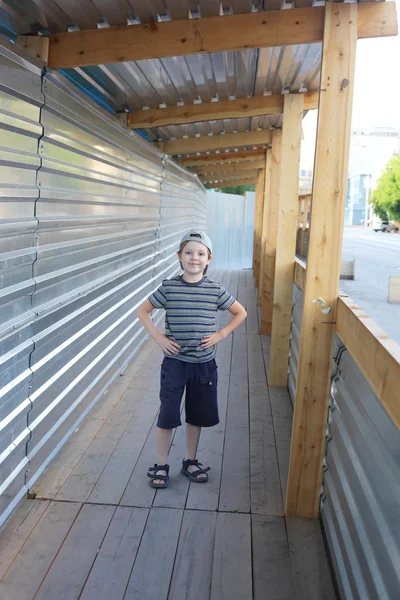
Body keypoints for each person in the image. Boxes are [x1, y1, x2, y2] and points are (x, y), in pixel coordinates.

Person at [136, 229, 247, 488]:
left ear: (209, 259)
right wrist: (159, 338)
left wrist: (220, 334)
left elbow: (240, 313)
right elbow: (142, 311)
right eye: (188, 252)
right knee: (168, 414)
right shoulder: (169, 288)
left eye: (200, 253)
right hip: (175, 364)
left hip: (204, 365)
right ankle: (162, 463)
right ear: (179, 257)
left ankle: (189, 460)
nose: (193, 258)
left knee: (196, 415)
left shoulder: (215, 290)